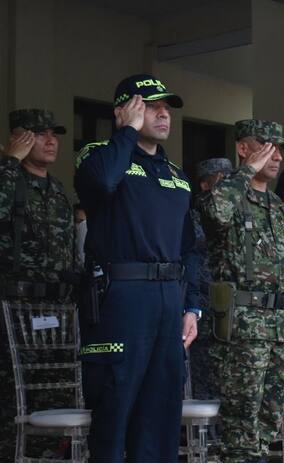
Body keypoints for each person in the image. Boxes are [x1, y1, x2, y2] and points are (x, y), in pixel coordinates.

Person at [74, 74, 201, 461]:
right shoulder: (99, 155)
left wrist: (191, 306)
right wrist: (126, 132)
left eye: (167, 108)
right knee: (115, 408)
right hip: (121, 299)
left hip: (168, 300)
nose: (163, 114)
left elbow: (190, 248)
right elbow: (104, 183)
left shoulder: (177, 175)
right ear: (124, 110)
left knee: (162, 413)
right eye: (152, 105)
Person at [199, 121, 284, 462]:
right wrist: (245, 173)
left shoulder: (277, 205)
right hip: (244, 329)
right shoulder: (227, 193)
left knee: (268, 419)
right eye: (265, 145)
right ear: (243, 148)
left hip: (280, 328)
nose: (275, 155)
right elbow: (214, 214)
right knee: (240, 422)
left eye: (280, 148)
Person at [0, 109, 76, 460]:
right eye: (38, 134)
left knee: (56, 399)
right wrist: (9, 161)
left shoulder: (57, 190)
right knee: (13, 402)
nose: (50, 141)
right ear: (18, 138)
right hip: (15, 309)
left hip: (57, 311)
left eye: (54, 134)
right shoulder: (7, 179)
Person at [188, 157, 233, 400]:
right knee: (204, 371)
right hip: (202, 302)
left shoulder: (234, 216)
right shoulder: (194, 216)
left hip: (228, 305)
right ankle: (203, 434)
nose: (228, 184)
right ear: (205, 184)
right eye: (222, 178)